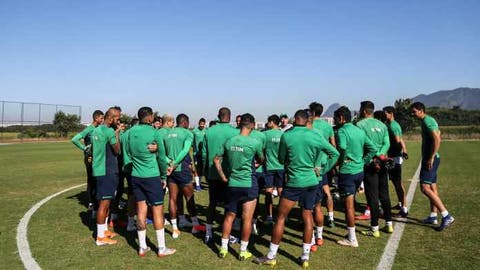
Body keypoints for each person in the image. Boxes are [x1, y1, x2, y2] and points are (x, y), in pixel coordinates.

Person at [254, 109, 339, 268]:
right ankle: (305, 257)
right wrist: (322, 168)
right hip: (312, 181)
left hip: (294, 182)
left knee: (280, 218)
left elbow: (281, 158)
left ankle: (272, 255)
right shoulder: (315, 135)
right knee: (307, 215)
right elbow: (334, 153)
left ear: (295, 120)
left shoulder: (287, 135)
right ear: (308, 121)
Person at [124, 106, 175, 257]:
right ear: (149, 117)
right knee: (157, 210)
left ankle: (142, 247)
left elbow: (126, 154)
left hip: (136, 175)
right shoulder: (154, 132)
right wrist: (164, 177)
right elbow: (161, 157)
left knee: (141, 211)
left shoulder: (129, 133)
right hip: (152, 176)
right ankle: (161, 248)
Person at [215, 113, 264, 261]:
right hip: (248, 184)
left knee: (229, 216)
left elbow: (216, 159)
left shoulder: (230, 141)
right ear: (253, 125)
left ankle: (223, 249)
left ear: (239, 124)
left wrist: (223, 176)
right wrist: (258, 163)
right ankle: (243, 251)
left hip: (232, 183)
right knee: (247, 219)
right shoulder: (254, 142)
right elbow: (261, 159)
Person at [334, 106, 377, 247]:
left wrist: (338, 164)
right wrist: (362, 161)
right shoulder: (359, 130)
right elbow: (373, 149)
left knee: (349, 207)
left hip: (348, 172)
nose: (335, 121)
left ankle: (352, 239)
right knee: (350, 202)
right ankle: (351, 234)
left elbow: (342, 149)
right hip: (359, 171)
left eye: (335, 119)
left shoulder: (342, 131)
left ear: (341, 118)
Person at [410, 102, 455, 230]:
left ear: (421, 110)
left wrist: (431, 156)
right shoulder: (430, 120)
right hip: (433, 158)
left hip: (430, 159)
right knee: (432, 186)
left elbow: (437, 138)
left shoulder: (427, 121)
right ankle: (433, 216)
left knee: (425, 188)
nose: (412, 114)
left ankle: (446, 215)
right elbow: (438, 133)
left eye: (414, 112)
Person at [356, 101, 394, 237]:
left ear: (364, 111)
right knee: (384, 194)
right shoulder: (382, 125)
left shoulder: (360, 125)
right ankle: (389, 224)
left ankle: (374, 228)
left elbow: (365, 142)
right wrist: (382, 155)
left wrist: (375, 155)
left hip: (370, 162)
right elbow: (387, 143)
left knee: (372, 196)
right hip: (383, 162)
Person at [202, 107, 239, 243]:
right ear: (230, 117)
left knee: (212, 203)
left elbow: (204, 155)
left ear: (218, 116)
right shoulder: (235, 132)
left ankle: (208, 232)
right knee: (228, 206)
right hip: (228, 174)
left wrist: (205, 171)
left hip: (212, 172)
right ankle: (227, 235)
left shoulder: (209, 131)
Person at [164, 113, 202, 238]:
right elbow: (186, 150)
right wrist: (175, 163)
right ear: (185, 122)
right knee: (189, 197)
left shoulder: (167, 133)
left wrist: (169, 163)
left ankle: (176, 227)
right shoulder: (187, 133)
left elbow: (162, 153)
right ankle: (195, 225)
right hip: (182, 169)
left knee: (173, 199)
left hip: (170, 170)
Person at [91, 107, 121, 245]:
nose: (118, 120)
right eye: (117, 118)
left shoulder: (95, 130)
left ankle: (104, 231)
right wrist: (117, 134)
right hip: (107, 170)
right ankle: (100, 237)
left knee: (106, 201)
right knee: (104, 204)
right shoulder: (109, 131)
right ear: (111, 118)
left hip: (98, 169)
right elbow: (117, 150)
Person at [309, 102, 337, 228]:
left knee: (311, 194)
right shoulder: (328, 126)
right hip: (325, 164)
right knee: (327, 191)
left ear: (313, 112)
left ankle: (310, 221)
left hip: (312, 164)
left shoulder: (309, 125)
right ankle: (331, 217)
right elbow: (333, 145)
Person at [71, 110, 104, 214]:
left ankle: (96, 202)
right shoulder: (89, 129)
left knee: (97, 179)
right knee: (91, 180)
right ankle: (91, 203)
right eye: (101, 118)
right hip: (90, 158)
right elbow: (75, 139)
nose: (102, 120)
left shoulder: (99, 129)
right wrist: (84, 148)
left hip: (97, 158)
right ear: (96, 118)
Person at [383, 106, 409, 217]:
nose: (384, 115)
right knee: (395, 182)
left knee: (398, 183)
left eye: (385, 113)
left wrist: (403, 151)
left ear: (391, 113)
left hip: (395, 158)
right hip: (392, 156)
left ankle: (404, 208)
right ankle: (400, 204)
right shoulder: (389, 124)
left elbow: (399, 140)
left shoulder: (394, 125)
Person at [262, 114, 284, 224]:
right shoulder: (283, 134)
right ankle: (282, 215)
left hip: (269, 167)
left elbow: (261, 149)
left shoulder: (265, 134)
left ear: (272, 122)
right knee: (281, 191)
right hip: (281, 166)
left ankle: (269, 215)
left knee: (268, 192)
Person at [192, 118, 207, 191]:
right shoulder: (194, 131)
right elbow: (192, 142)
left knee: (202, 170)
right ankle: (197, 186)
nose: (202, 125)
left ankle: (199, 183)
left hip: (204, 154)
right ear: (199, 123)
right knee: (196, 169)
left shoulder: (206, 131)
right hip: (196, 154)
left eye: (203, 124)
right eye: (201, 124)